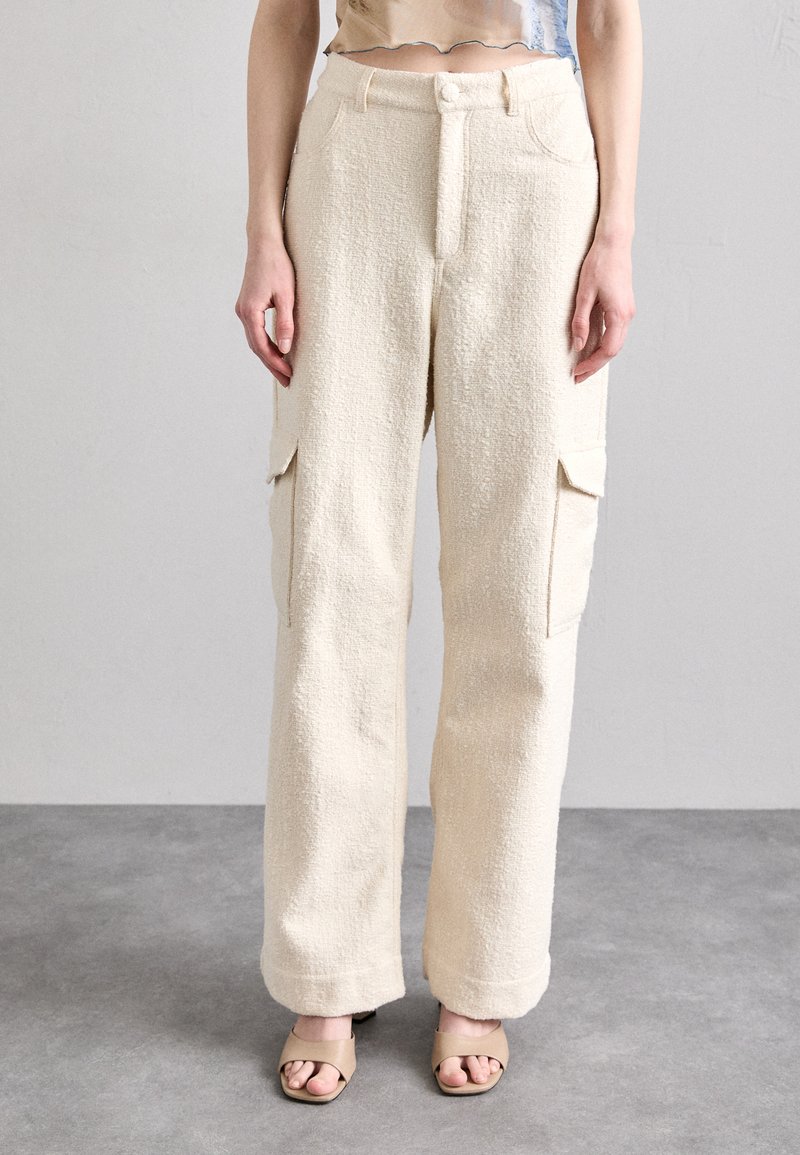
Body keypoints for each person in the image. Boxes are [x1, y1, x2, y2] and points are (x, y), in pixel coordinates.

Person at [236, 0, 641, 1102]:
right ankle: (328, 966)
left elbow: (608, 19)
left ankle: (483, 971)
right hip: (356, 147)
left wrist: (614, 233)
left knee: (521, 590)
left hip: (533, 154)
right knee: (331, 584)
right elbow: (284, 18)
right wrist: (264, 229)